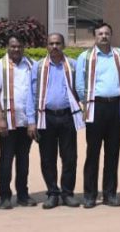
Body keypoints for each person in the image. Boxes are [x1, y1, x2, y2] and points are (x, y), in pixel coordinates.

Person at [75, 23, 120, 208]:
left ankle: (110, 193)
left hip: (116, 107)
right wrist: (87, 102)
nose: (104, 36)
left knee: (112, 152)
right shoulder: (85, 57)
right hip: (95, 107)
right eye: (100, 34)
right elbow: (79, 84)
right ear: (95, 36)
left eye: (107, 33)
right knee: (93, 152)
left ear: (111, 35)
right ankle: (90, 195)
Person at [32, 33, 84, 209]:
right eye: (51, 43)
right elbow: (32, 93)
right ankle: (53, 193)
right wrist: (32, 120)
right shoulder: (39, 67)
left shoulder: (73, 65)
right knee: (47, 158)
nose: (54, 46)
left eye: (58, 43)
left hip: (67, 116)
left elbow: (80, 88)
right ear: (47, 46)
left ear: (63, 45)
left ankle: (67, 193)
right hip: (45, 117)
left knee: (69, 157)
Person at [0, 33, 37, 209]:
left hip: (26, 121)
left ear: (24, 47)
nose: (16, 49)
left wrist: (33, 120)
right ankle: (5, 196)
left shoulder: (32, 65)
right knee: (6, 159)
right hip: (7, 122)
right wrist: (0, 119)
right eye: (13, 46)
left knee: (23, 159)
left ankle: (23, 194)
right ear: (7, 47)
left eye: (19, 46)